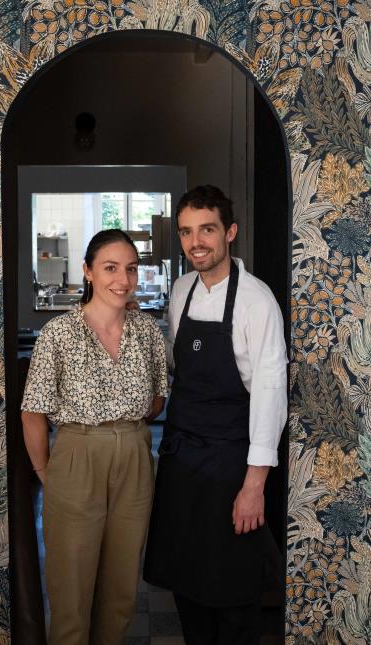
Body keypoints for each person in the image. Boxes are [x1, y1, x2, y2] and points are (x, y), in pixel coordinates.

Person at [143, 186, 288, 645]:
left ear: (230, 233)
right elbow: (174, 369)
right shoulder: (181, 291)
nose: (195, 242)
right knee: (188, 587)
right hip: (183, 461)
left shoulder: (256, 301)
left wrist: (254, 485)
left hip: (231, 466)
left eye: (206, 229)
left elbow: (270, 393)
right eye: (186, 232)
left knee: (232, 597)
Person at [21, 229, 167, 645]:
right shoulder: (58, 334)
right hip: (76, 456)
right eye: (110, 267)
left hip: (135, 457)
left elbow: (157, 399)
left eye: (131, 269)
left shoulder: (147, 331)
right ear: (87, 272)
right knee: (72, 591)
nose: (123, 278)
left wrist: (127, 426)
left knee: (121, 592)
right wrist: (47, 473)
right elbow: (32, 412)